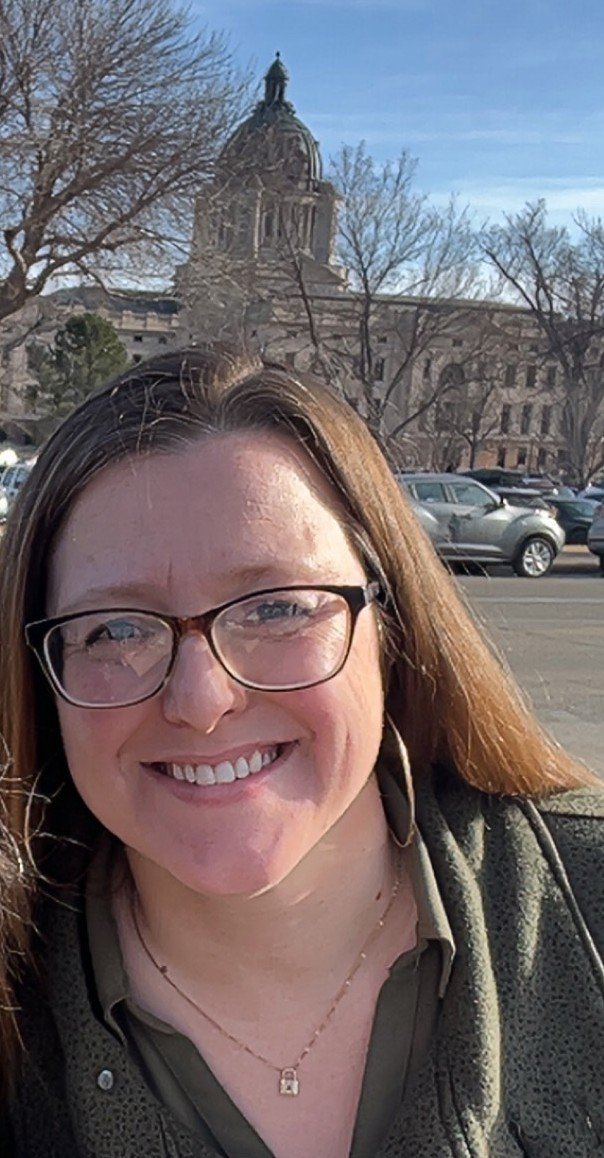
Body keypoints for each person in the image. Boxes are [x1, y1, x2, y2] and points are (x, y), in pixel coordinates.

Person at [0, 346, 602, 1158]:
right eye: (115, 629)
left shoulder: (585, 908)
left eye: (277, 607)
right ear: (43, 673)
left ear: (390, 627)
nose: (201, 702)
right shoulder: (20, 1006)